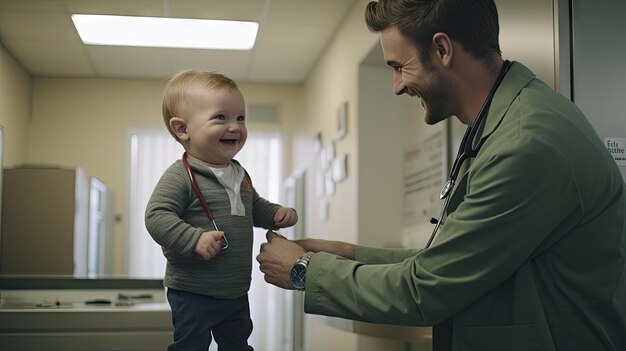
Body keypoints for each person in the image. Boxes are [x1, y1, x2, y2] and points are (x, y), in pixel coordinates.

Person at [256, 0, 626, 350]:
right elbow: (451, 261)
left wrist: (302, 270)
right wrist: (349, 255)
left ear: (443, 50)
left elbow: (426, 290)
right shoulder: (506, 125)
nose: (397, 86)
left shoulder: (524, 145)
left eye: (399, 67)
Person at [145, 69, 298, 351]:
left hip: (235, 290)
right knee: (191, 346)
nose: (235, 127)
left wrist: (275, 213)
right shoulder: (181, 175)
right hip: (193, 291)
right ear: (182, 129)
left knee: (238, 345)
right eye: (221, 117)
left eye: (240, 118)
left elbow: (252, 206)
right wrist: (194, 239)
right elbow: (156, 216)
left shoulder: (239, 172)